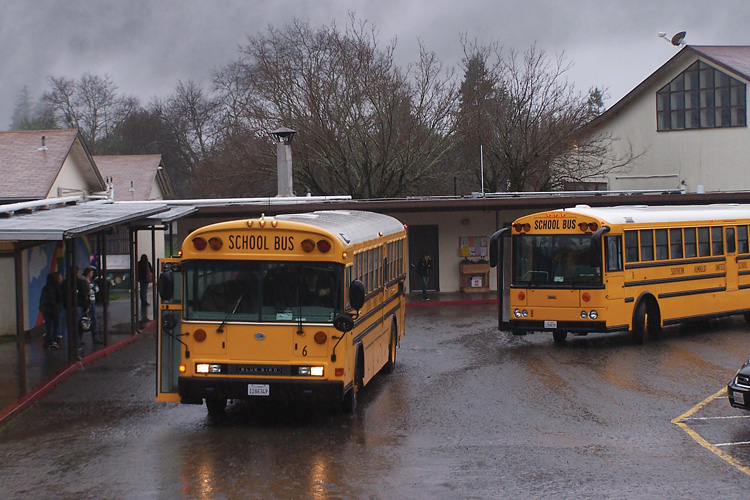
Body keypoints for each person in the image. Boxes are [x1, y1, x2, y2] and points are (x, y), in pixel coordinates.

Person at [39, 272, 63, 349]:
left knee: (48, 326)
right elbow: (60, 298)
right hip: (55, 310)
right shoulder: (57, 287)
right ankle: (55, 342)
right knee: (56, 326)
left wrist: (42, 308)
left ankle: (49, 342)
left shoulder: (45, 288)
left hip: (46, 310)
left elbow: (42, 299)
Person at [83, 267, 103, 344]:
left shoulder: (92, 281)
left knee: (93, 319)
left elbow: (97, 289)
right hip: (88, 302)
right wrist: (93, 289)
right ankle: (82, 338)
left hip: (92, 301)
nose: (92, 274)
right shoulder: (84, 281)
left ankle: (95, 336)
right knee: (85, 320)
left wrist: (93, 289)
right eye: (91, 272)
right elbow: (88, 291)